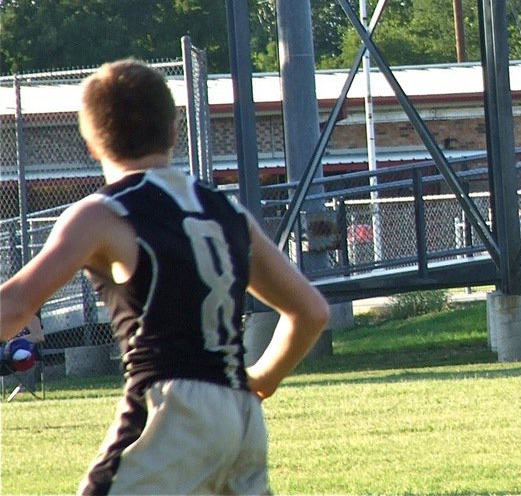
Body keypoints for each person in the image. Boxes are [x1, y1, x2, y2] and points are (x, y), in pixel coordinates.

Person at [0, 59, 330, 495]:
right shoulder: (226, 210)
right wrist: (263, 378)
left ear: (91, 143)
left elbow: (16, 305)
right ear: (175, 131)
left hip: (171, 410)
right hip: (240, 417)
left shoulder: (102, 213)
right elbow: (310, 310)